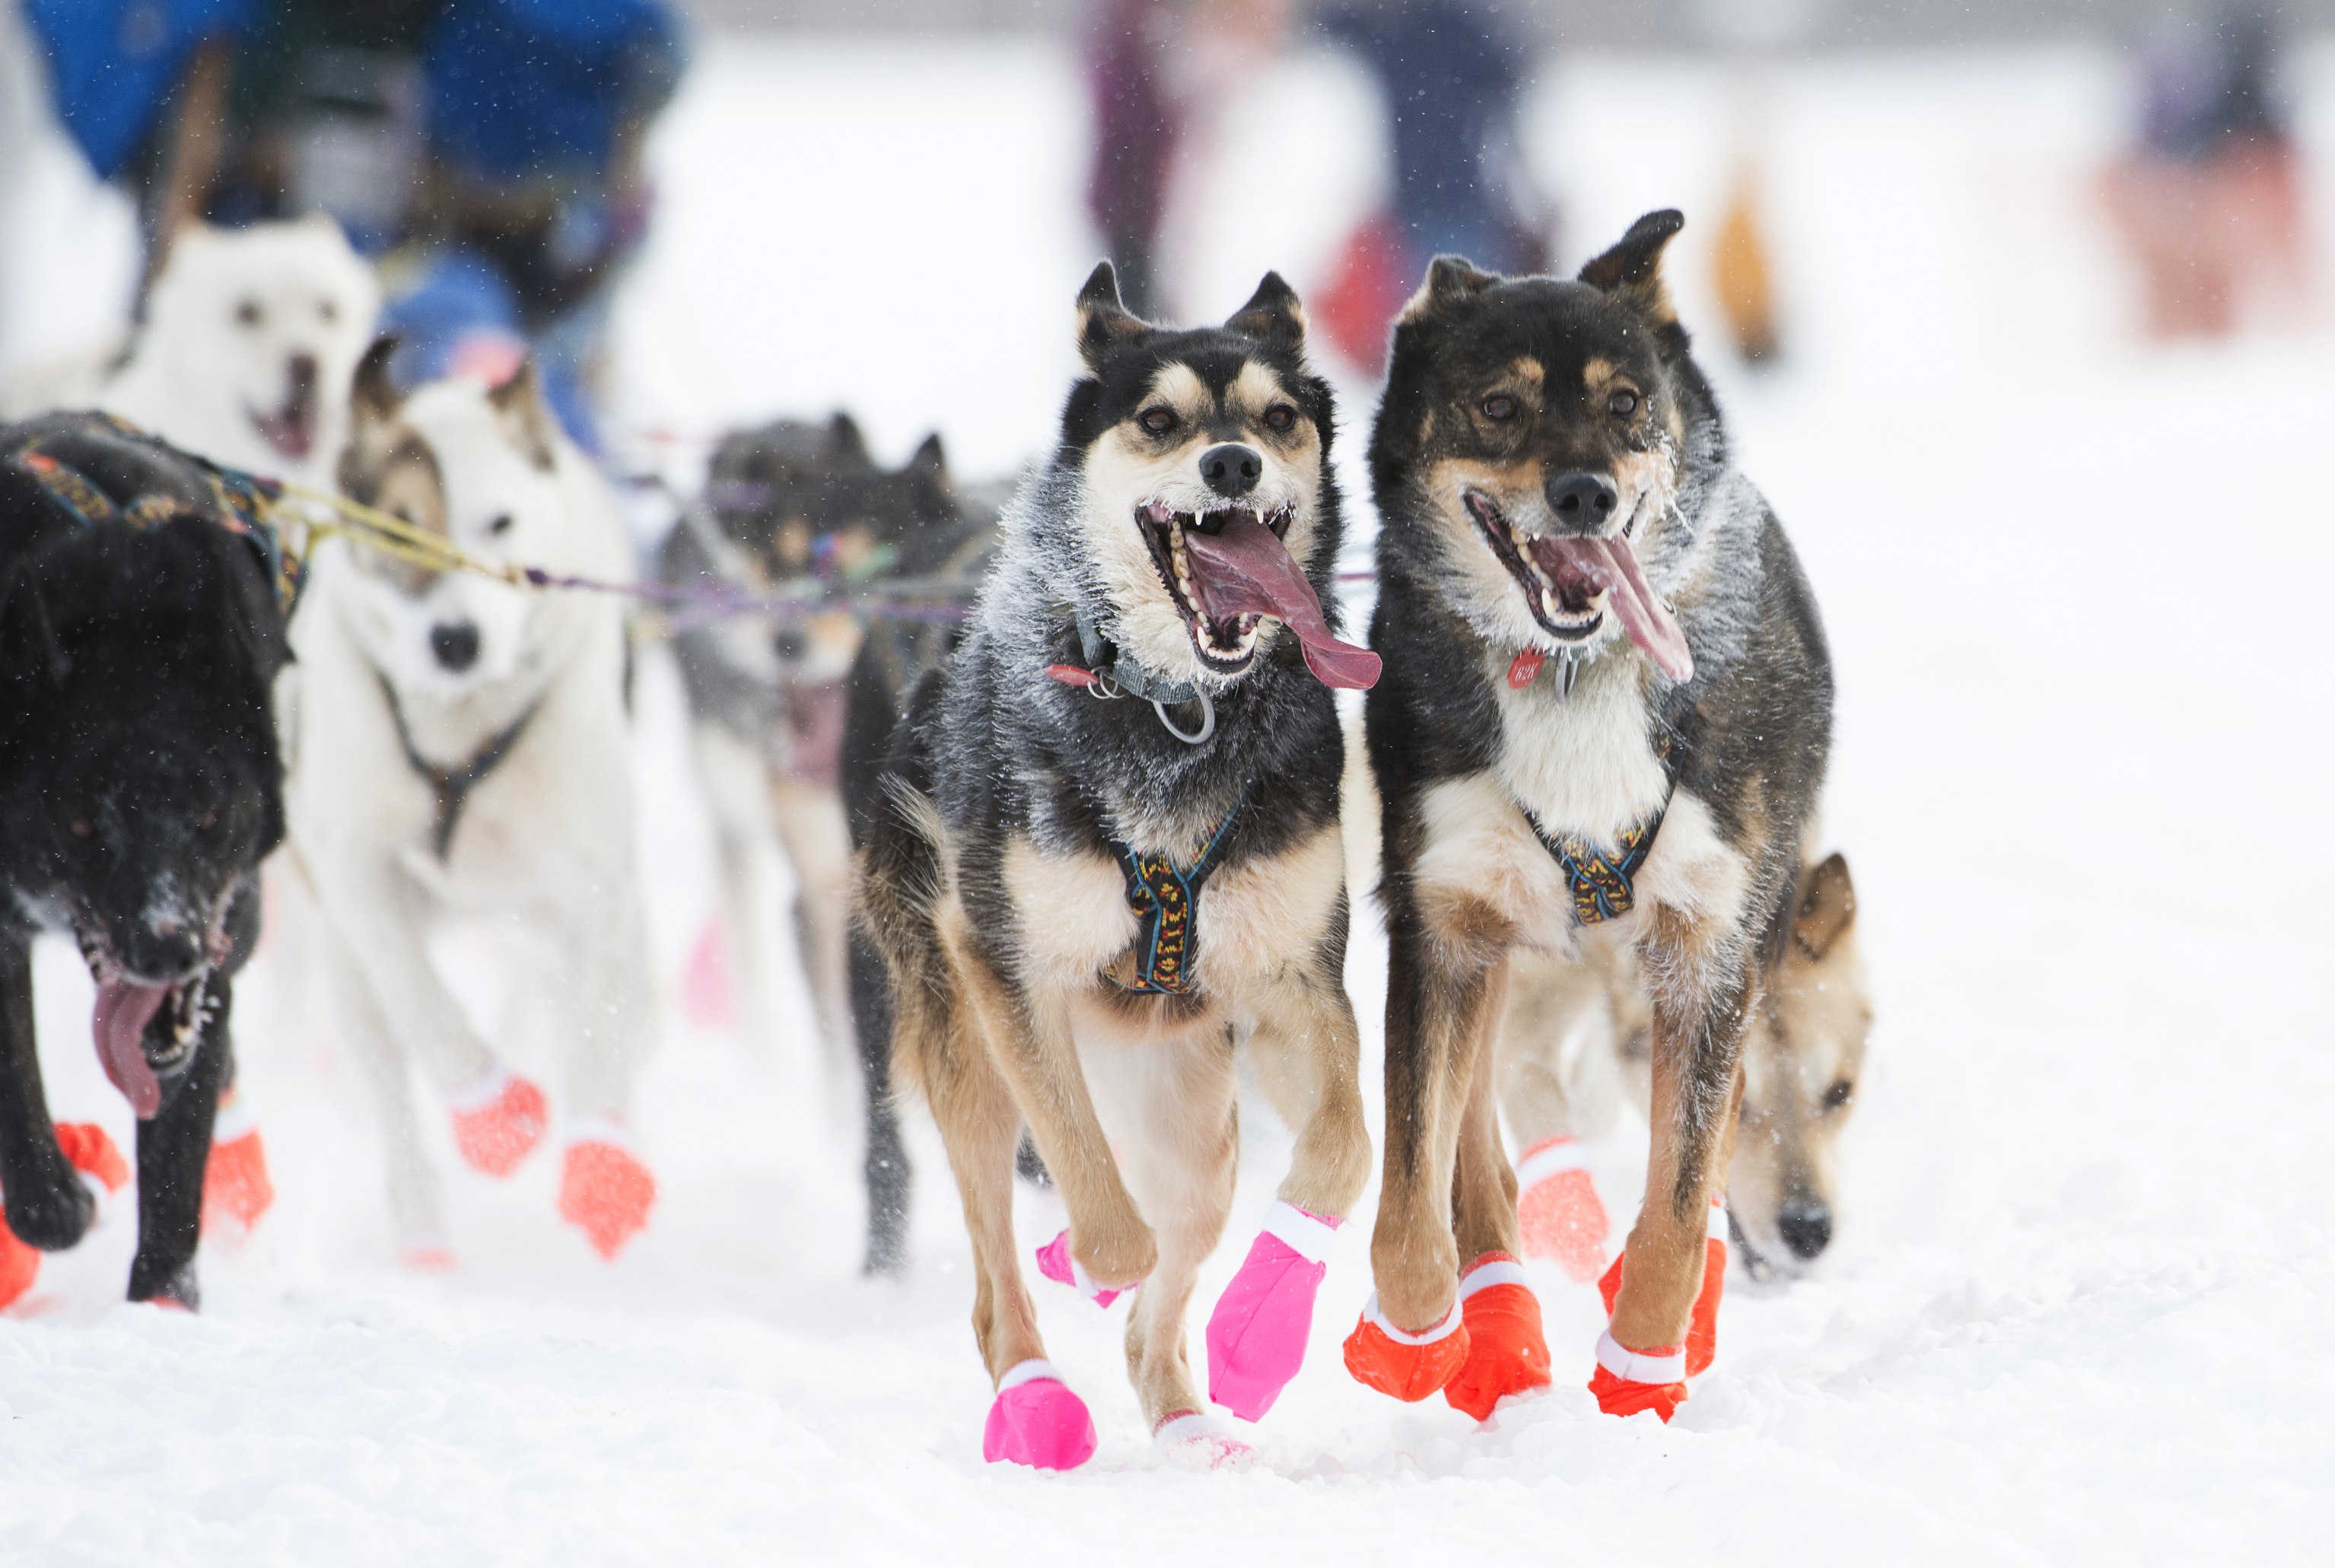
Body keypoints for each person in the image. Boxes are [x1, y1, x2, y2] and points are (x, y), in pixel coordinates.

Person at [21, 0, 681, 444]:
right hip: (274, 253)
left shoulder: (466, 63)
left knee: (483, 352)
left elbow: (481, 191)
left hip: (420, 273)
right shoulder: (246, 57)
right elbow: (195, 205)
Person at [1311, 0, 1545, 371]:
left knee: (1453, 328)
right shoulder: (1407, 30)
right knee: (1445, 328)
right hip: (1422, 206)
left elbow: (1508, 73)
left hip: (1454, 203)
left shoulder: (1430, 29)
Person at [2102, 4, 2308, 338]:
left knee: (2194, 265)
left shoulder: (2209, 75)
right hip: (2207, 166)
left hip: (2213, 165)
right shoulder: (2203, 73)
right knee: (2189, 265)